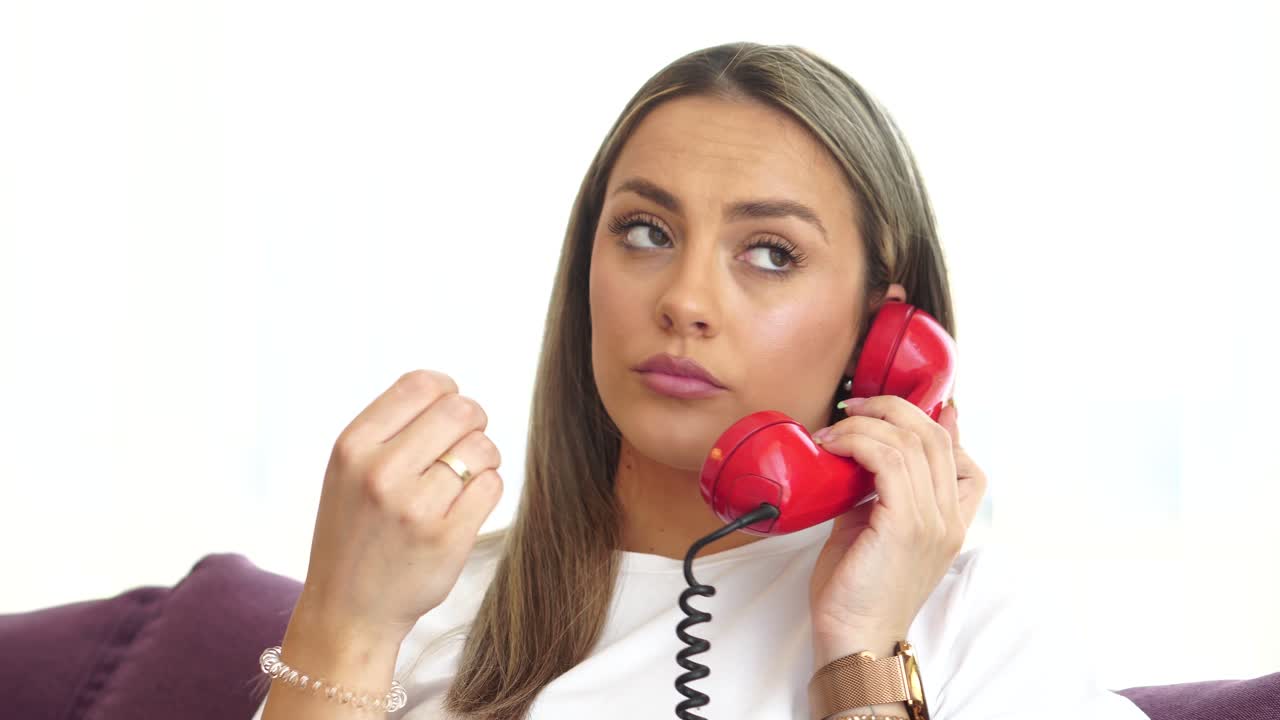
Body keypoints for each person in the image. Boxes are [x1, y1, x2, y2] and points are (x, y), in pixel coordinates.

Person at [253, 42, 1150, 719]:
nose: (685, 300)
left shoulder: (973, 628)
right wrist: (346, 626)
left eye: (771, 252)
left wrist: (862, 659)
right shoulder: (416, 606)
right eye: (646, 231)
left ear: (884, 337)